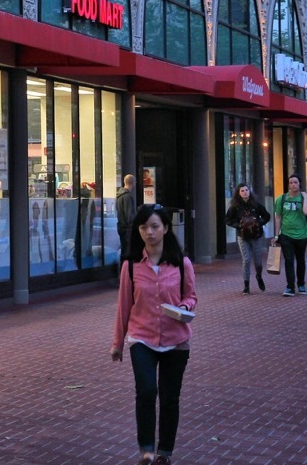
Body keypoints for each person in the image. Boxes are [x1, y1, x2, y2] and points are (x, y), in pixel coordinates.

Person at [111, 204, 197, 465]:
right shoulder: (130, 266)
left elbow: (190, 296)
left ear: (166, 229)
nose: (149, 232)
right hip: (142, 338)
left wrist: (184, 307)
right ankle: (146, 451)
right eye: (143, 227)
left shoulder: (182, 264)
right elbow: (124, 305)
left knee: (170, 398)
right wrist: (117, 343)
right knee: (146, 392)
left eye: (154, 226)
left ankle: (164, 452)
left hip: (176, 340)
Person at [225, 183, 271, 294]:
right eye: (242, 191)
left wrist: (259, 222)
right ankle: (246, 285)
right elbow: (227, 219)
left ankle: (259, 276)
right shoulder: (235, 207)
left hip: (256, 236)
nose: (245, 192)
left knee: (257, 260)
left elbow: (267, 216)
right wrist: (239, 225)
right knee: (246, 259)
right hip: (242, 236)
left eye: (246, 190)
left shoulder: (256, 205)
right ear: (238, 193)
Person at [273, 174, 307, 296]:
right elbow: (278, 217)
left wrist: (305, 197)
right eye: (291, 182)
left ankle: (301, 284)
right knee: (289, 260)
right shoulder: (281, 199)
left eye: (295, 182)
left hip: (302, 234)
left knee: (301, 260)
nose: (293, 185)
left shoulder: (304, 199)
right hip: (286, 235)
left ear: (299, 184)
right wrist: (276, 235)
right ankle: (290, 287)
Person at [116, 173, 136, 260]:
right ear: (133, 182)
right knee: (128, 253)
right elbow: (129, 216)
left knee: (124, 251)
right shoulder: (127, 197)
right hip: (127, 229)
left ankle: (123, 271)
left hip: (121, 227)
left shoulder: (119, 196)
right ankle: (126, 272)